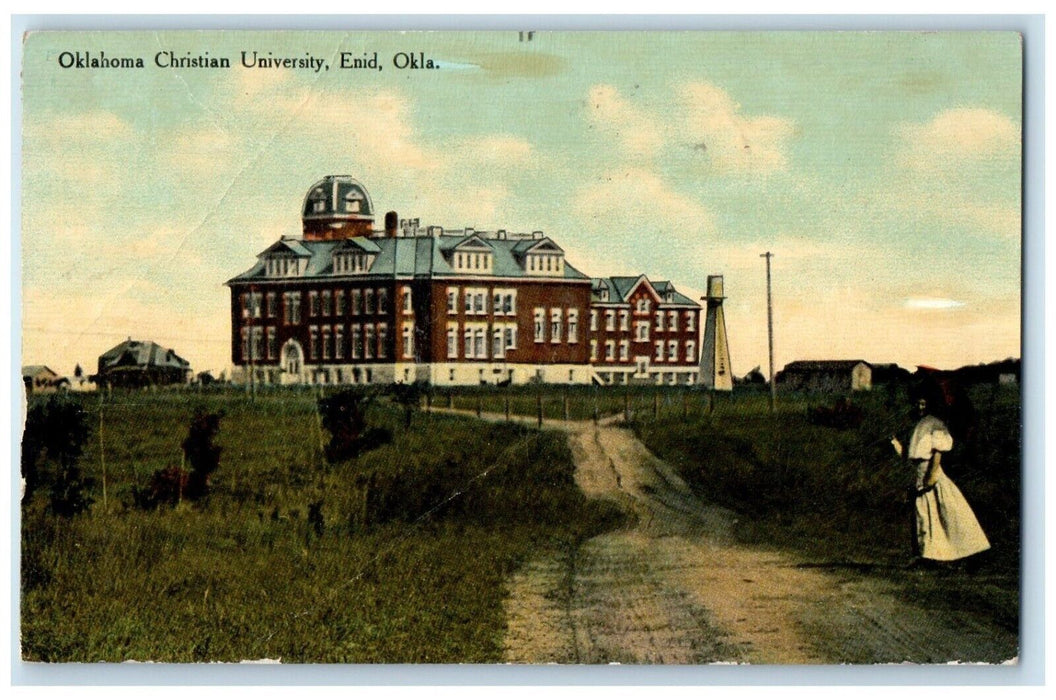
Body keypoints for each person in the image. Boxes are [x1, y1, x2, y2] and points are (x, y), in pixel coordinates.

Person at [891, 388, 990, 563]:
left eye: (923, 403)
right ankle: (926, 554)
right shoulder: (918, 424)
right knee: (923, 515)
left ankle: (964, 553)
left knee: (946, 513)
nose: (920, 406)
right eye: (918, 403)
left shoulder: (936, 425)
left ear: (930, 405)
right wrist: (894, 443)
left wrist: (931, 476)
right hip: (919, 474)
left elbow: (937, 453)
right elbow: (910, 455)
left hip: (932, 473)